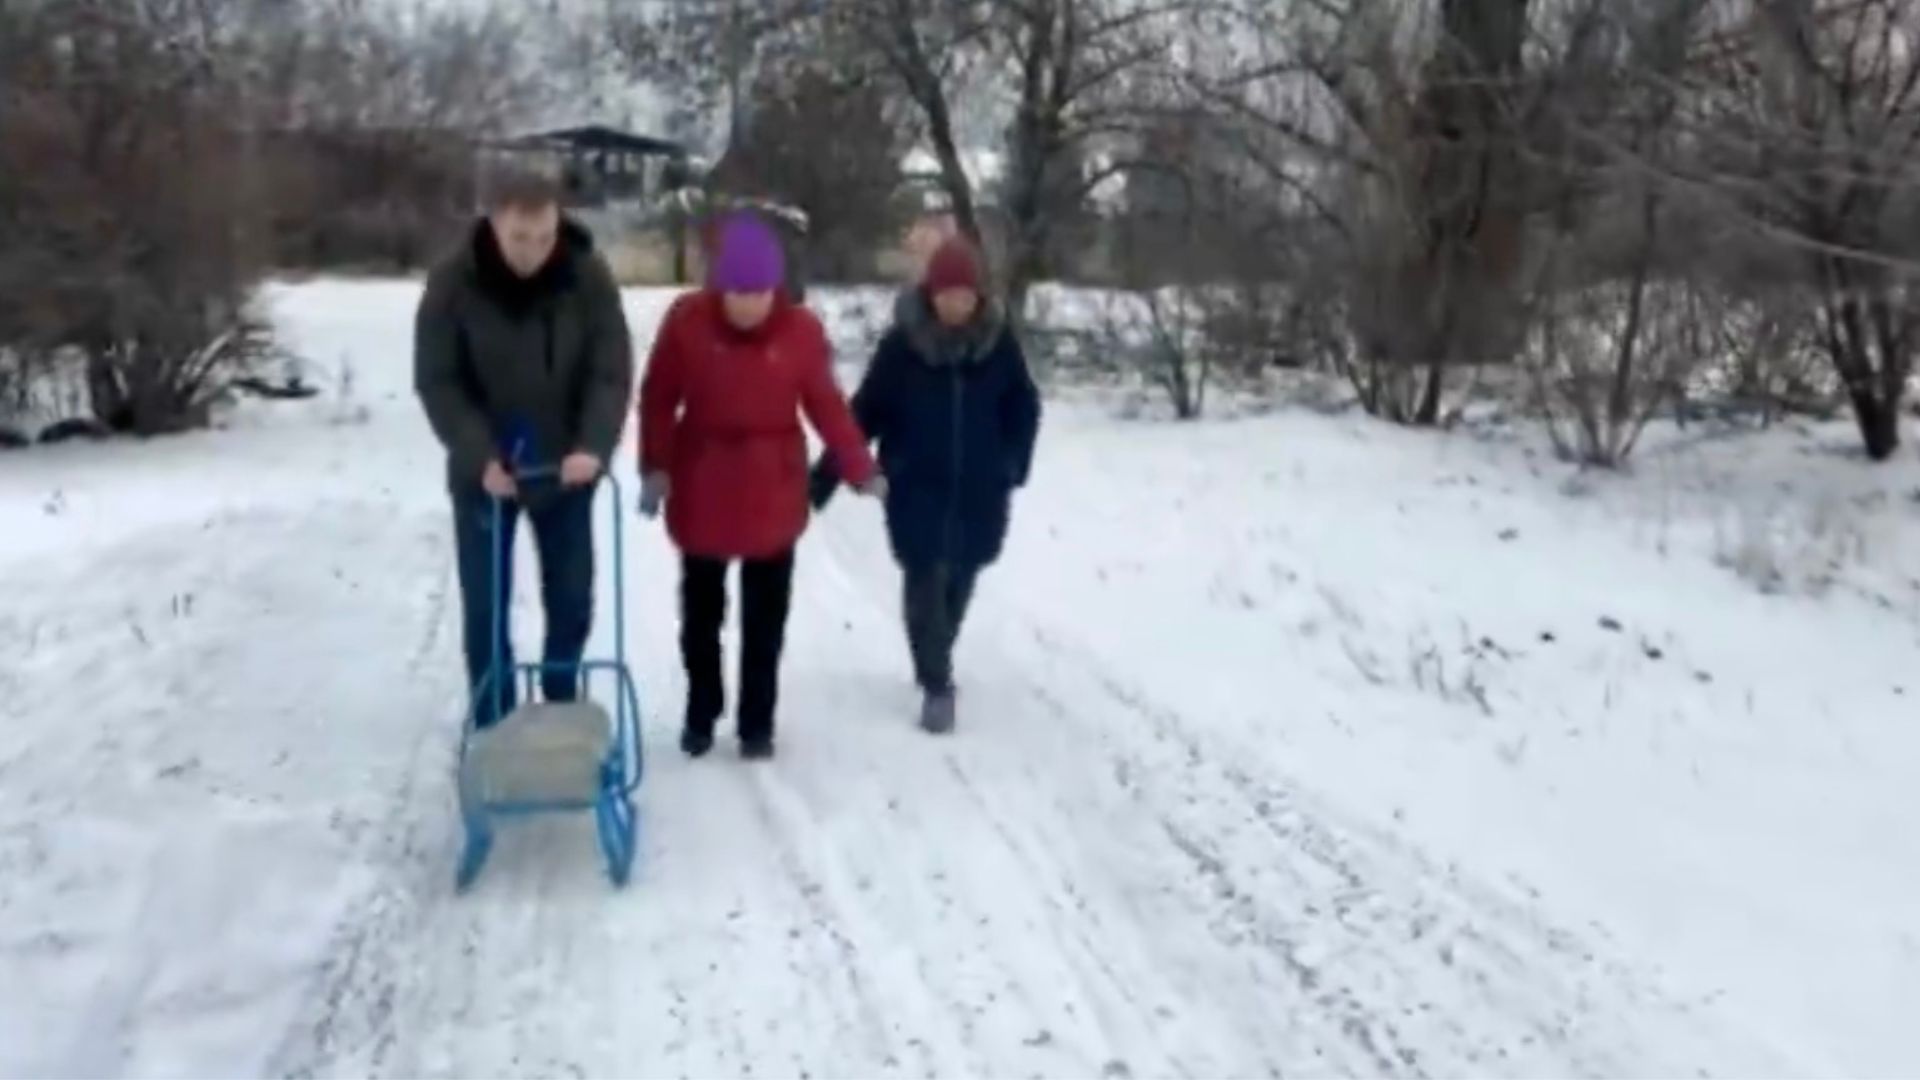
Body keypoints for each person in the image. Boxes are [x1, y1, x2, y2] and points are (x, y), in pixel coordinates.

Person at [637, 211, 883, 760]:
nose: (749, 304)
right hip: (703, 483)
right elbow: (658, 397)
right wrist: (656, 465)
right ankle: (702, 711)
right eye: (738, 293)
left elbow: (826, 405)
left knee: (765, 623)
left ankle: (756, 724)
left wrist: (858, 465)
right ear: (719, 287)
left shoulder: (800, 333)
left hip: (773, 487)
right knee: (701, 619)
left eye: (760, 293)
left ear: (776, 289)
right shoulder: (687, 323)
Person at [413, 170, 634, 728]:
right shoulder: (452, 283)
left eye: (543, 237)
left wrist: (593, 445)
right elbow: (438, 379)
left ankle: (559, 705)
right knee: (486, 607)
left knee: (572, 598)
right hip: (486, 471)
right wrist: (478, 455)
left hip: (565, 466)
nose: (533, 251)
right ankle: (494, 720)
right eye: (519, 238)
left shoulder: (586, 276)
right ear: (493, 224)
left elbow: (609, 370)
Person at [810, 236, 1042, 734]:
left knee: (962, 575)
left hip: (981, 488)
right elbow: (864, 413)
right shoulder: (901, 347)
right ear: (931, 294)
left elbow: (1024, 407)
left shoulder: (998, 345)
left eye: (964, 295)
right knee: (925, 577)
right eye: (946, 294)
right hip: (915, 483)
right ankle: (937, 683)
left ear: (977, 296)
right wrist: (826, 475)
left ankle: (936, 652)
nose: (955, 303)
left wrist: (1012, 463)